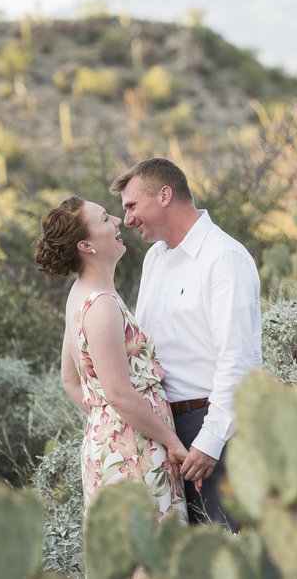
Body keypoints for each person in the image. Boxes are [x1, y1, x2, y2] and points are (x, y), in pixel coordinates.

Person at [110, 158, 262, 528]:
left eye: (132, 206)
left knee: (228, 550)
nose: (127, 219)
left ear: (164, 195)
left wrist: (210, 440)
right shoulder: (154, 260)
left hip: (215, 429)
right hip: (165, 433)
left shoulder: (223, 257)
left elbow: (239, 360)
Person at [33, 195, 188, 523]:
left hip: (117, 443)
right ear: (86, 245)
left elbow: (70, 380)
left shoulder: (81, 295)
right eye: (105, 219)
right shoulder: (101, 305)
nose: (118, 221)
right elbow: (118, 393)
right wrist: (170, 440)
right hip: (133, 452)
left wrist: (107, 419)